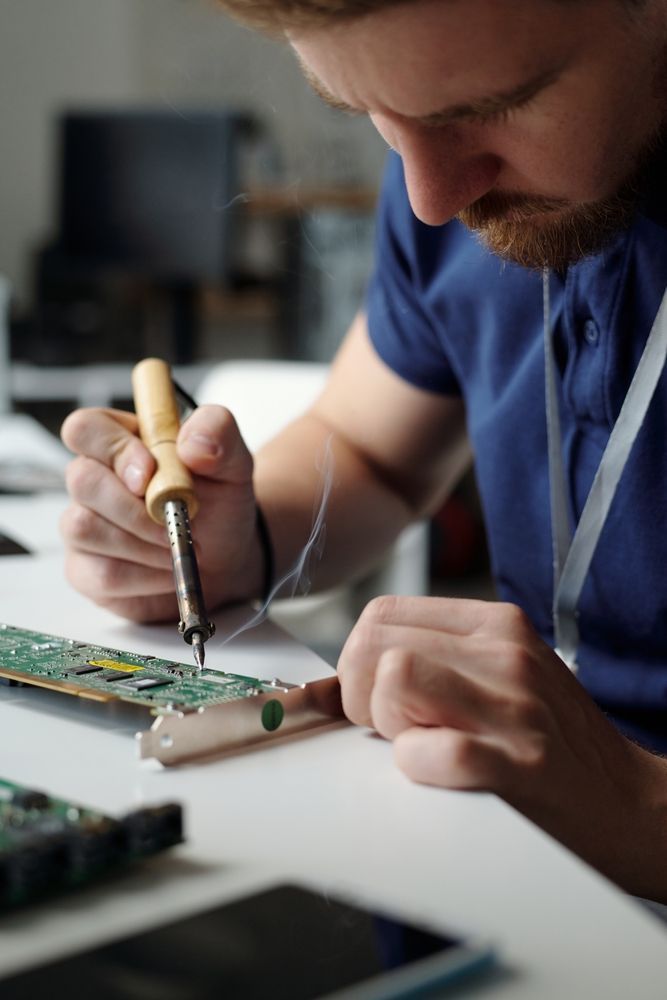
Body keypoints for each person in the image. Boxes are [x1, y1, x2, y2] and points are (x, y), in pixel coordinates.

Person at [60, 0, 667, 903]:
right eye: (370, 116)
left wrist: (638, 808)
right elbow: (369, 451)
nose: (429, 199)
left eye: (487, 107)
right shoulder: (445, 171)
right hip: (500, 852)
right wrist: (243, 538)